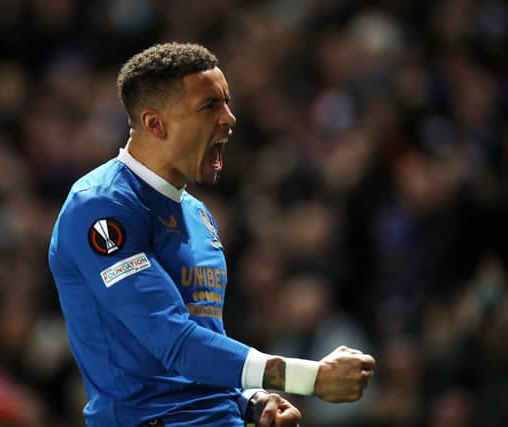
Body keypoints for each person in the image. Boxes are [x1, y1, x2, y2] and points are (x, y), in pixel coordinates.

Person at [48, 42, 375, 427]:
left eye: (226, 102)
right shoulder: (101, 208)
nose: (230, 118)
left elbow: (201, 346)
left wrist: (251, 400)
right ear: (156, 124)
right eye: (209, 107)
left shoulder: (198, 215)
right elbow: (173, 341)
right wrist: (310, 377)